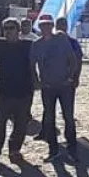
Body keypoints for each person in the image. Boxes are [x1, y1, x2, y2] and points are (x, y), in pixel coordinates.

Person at [0, 17, 34, 165]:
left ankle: (14, 150)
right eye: (6, 28)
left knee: (21, 124)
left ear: (19, 30)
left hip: (24, 92)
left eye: (11, 28)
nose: (8, 31)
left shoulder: (28, 45)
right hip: (4, 93)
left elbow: (47, 46)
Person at [32, 13, 80, 162]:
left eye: (48, 25)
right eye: (43, 25)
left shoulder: (61, 40)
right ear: (39, 27)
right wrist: (37, 81)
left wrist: (71, 77)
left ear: (52, 26)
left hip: (65, 86)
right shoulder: (36, 44)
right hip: (48, 87)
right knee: (49, 118)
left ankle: (72, 148)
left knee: (68, 117)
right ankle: (53, 149)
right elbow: (31, 65)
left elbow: (73, 60)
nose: (45, 27)